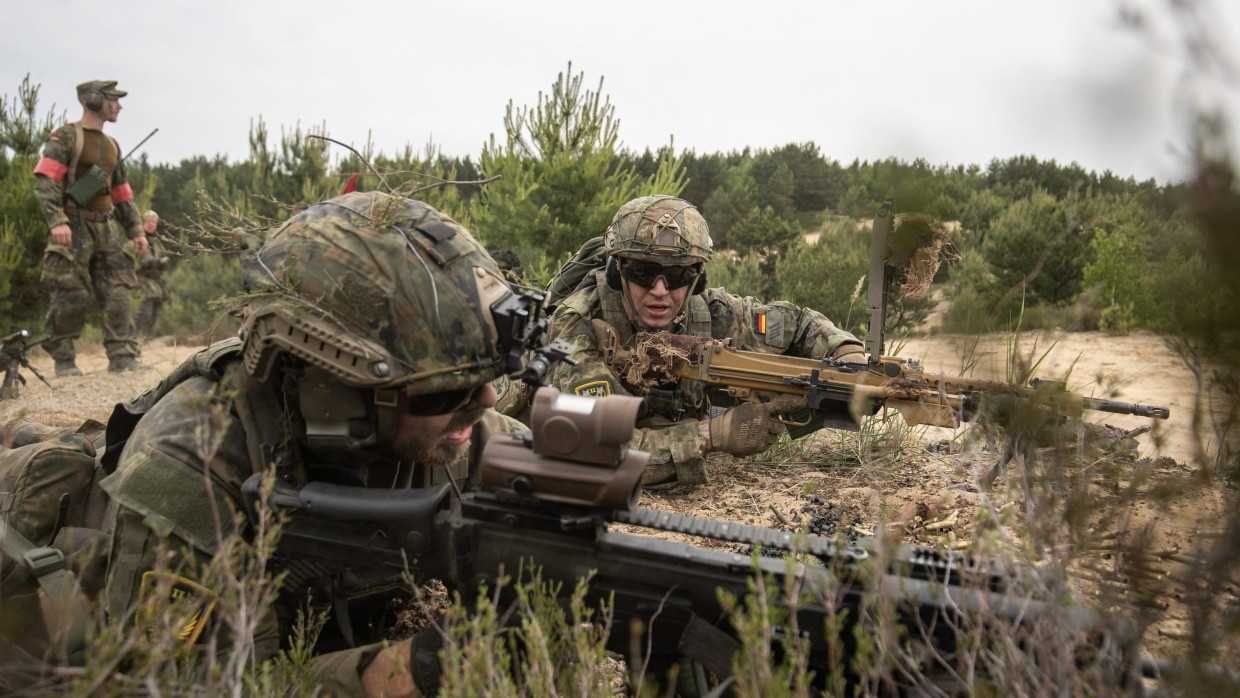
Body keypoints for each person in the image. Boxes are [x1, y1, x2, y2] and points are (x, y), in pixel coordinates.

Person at [97, 192, 528, 696]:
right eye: (445, 386)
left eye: (493, 374)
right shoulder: (191, 462)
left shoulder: (461, 433)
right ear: (335, 384)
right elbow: (165, 683)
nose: (487, 399)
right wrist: (390, 674)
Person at [502, 195, 866, 488]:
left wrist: (847, 353)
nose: (660, 291)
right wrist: (712, 436)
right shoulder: (575, 327)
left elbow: (796, 324)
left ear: (697, 278)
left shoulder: (708, 311)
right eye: (643, 273)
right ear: (617, 272)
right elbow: (597, 451)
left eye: (676, 275)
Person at [32, 80, 148, 376]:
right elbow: (46, 181)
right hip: (73, 225)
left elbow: (122, 193)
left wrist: (135, 230)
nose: (119, 105)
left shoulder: (112, 146)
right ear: (93, 100)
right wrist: (57, 220)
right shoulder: (66, 137)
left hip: (106, 228)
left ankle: (122, 356)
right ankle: (64, 360)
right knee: (71, 293)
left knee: (119, 291)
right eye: (113, 99)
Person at [133, 209, 171, 338]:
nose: (150, 224)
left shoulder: (157, 242)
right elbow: (131, 262)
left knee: (154, 314)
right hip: (141, 281)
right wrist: (147, 263)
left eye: (153, 222)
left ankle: (144, 339)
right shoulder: (137, 240)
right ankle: (134, 338)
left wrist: (162, 263)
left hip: (156, 283)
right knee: (144, 313)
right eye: (148, 221)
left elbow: (164, 257)